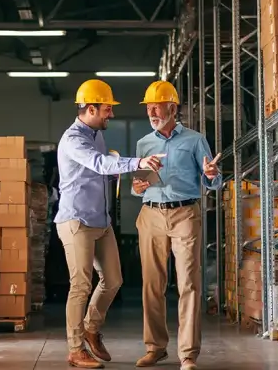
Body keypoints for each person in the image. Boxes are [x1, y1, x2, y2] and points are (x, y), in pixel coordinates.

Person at [55, 79, 165, 369]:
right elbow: (101, 164)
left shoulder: (95, 134)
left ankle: (91, 329)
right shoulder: (74, 139)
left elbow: (103, 168)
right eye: (107, 109)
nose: (111, 115)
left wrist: (124, 173)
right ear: (91, 108)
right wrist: (137, 162)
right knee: (80, 285)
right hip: (76, 220)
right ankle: (76, 349)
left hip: (100, 221)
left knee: (113, 280)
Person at [131, 80, 221, 370]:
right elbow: (137, 188)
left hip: (184, 214)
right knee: (152, 285)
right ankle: (155, 347)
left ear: (173, 107)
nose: (152, 111)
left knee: (189, 285)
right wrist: (137, 185)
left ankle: (188, 354)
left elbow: (214, 182)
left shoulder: (195, 140)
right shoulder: (144, 143)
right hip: (151, 214)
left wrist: (210, 173)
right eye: (149, 107)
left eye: (157, 106)